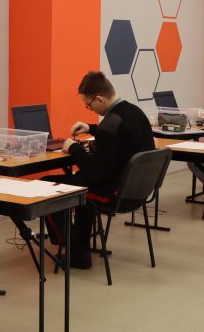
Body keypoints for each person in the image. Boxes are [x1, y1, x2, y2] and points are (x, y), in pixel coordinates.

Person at [45, 71, 154, 269]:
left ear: (100, 99)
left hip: (113, 194)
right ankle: (80, 247)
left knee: (47, 187)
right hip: (138, 191)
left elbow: (95, 173)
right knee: (78, 184)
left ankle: (75, 253)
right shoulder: (134, 112)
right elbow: (119, 133)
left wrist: (74, 148)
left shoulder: (109, 125)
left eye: (89, 105)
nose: (90, 108)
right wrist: (92, 128)